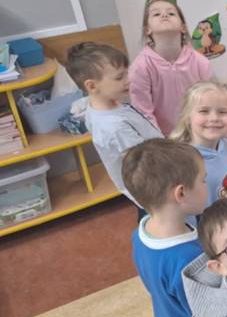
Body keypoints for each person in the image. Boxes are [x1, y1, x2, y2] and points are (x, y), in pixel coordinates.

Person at [64, 42, 163, 220]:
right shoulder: (115, 129)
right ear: (92, 86)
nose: (128, 79)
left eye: (126, 72)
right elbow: (146, 163)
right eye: (119, 77)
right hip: (155, 188)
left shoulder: (99, 104)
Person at [123, 139, 208, 317]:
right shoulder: (192, 261)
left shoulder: (140, 234)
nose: (206, 185)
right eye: (203, 180)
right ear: (181, 193)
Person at [129, 0, 214, 136]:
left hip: (201, 134)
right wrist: (161, 143)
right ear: (147, 29)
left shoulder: (200, 62)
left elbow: (211, 100)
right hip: (165, 140)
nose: (164, 15)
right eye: (156, 14)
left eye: (171, 13)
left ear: (183, 27)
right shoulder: (140, 67)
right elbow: (143, 112)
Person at [170, 81, 227, 206]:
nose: (214, 118)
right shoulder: (183, 162)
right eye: (204, 111)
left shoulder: (226, 145)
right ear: (187, 117)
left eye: (222, 112)